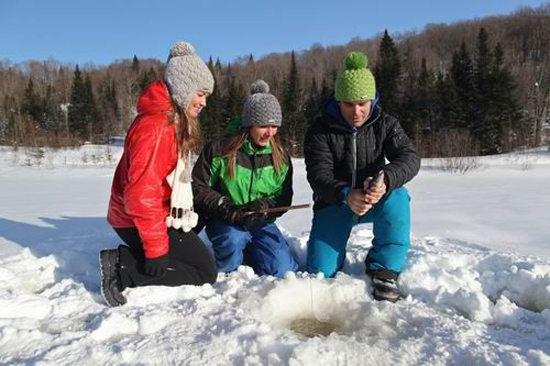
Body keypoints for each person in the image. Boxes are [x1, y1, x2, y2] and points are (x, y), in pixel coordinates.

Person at [100, 41, 218, 307]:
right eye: (200, 94)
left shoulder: (172, 122)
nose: (204, 102)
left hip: (152, 213)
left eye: (206, 96)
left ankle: (137, 258)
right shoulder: (157, 127)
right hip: (131, 218)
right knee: (205, 272)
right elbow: (141, 194)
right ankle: (122, 267)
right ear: (184, 89)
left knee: (197, 253)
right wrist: (156, 249)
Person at [304, 52, 420, 302]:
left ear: (373, 99)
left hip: (373, 198)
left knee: (398, 196)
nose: (356, 111)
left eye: (362, 103)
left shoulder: (386, 123)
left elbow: (410, 158)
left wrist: (386, 179)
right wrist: (345, 194)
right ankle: (330, 259)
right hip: (335, 202)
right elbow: (317, 174)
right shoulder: (320, 129)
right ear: (338, 101)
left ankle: (384, 269)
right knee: (320, 274)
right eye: (348, 104)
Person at [192, 80, 298, 278]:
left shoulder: (281, 156)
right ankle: (229, 278)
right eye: (263, 126)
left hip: (261, 222)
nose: (270, 133)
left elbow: (284, 198)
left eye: (274, 126)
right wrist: (226, 207)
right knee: (232, 247)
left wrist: (265, 206)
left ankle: (256, 253)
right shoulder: (220, 150)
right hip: (226, 220)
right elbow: (198, 187)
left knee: (283, 270)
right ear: (249, 124)